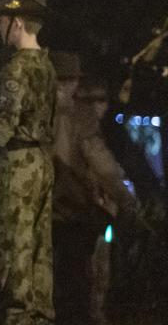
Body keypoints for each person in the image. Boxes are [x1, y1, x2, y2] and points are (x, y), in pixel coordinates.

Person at [0, 0, 57, 325]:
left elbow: (0, 128)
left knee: (13, 248)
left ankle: (19, 316)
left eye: (1, 20)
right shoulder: (48, 66)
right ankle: (38, 315)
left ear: (17, 22)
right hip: (41, 161)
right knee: (39, 250)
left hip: (16, 166)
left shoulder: (16, 69)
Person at [49, 53, 136, 325]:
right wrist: (126, 199)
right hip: (71, 212)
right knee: (76, 286)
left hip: (33, 215)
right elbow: (103, 166)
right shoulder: (79, 116)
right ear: (73, 81)